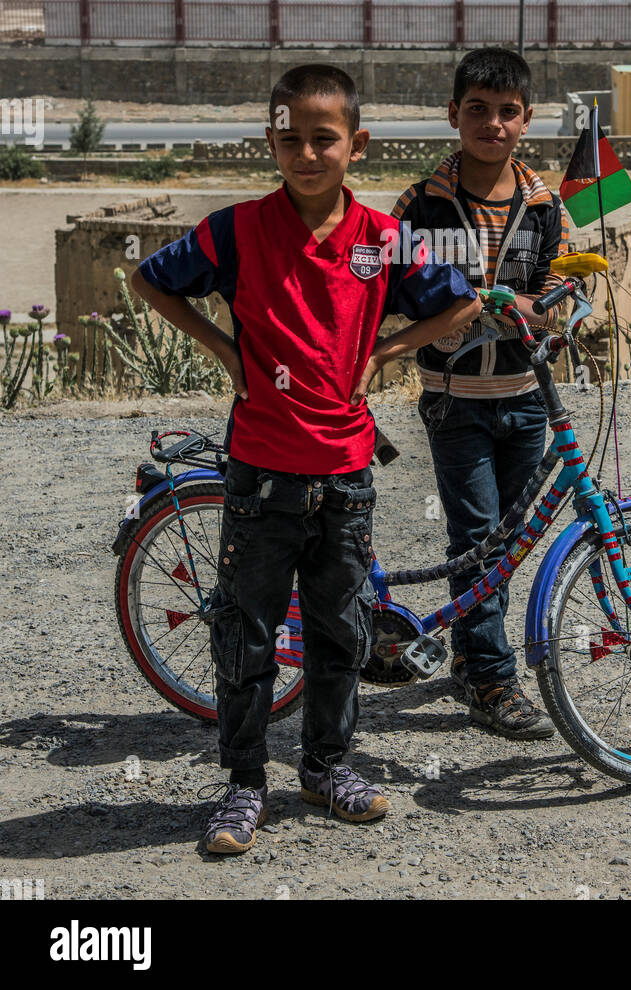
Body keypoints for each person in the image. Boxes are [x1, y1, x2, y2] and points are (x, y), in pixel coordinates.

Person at [131, 64, 479, 851]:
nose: (306, 153)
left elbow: (461, 300)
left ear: (356, 144)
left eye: (324, 139)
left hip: (347, 475)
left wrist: (389, 351)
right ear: (270, 142)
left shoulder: (383, 241)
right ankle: (244, 783)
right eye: (290, 139)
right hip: (259, 474)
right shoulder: (237, 229)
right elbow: (153, 280)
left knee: (340, 634)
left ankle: (326, 768)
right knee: (247, 635)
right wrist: (226, 351)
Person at [391, 48, 570, 739]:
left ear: (525, 119)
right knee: (478, 540)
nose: (490, 124)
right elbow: (395, 288)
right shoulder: (423, 202)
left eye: (505, 112)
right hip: (452, 397)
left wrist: (543, 307)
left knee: (509, 542)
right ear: (452, 115)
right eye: (476, 110)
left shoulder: (542, 202)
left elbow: (556, 291)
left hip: (525, 395)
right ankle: (494, 682)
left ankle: (469, 657)